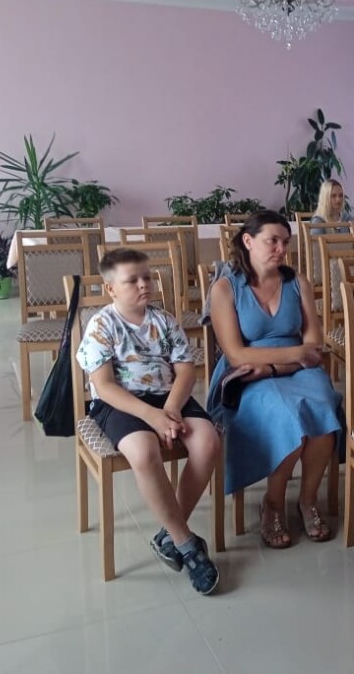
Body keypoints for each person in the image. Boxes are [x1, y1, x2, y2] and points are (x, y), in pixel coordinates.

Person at [75, 248, 221, 594]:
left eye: (147, 277)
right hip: (120, 404)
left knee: (207, 441)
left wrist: (170, 409)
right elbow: (104, 386)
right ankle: (185, 543)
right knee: (143, 451)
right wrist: (151, 416)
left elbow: (186, 370)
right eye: (132, 280)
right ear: (111, 288)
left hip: (168, 399)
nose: (144, 284)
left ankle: (168, 534)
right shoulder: (102, 325)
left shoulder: (164, 321)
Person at [208, 210, 342, 548]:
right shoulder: (225, 288)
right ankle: (273, 502)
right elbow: (236, 354)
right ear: (248, 241)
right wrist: (295, 354)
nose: (281, 249)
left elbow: (314, 344)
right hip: (247, 376)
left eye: (285, 242)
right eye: (273, 241)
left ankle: (308, 499)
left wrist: (277, 365)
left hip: (292, 370)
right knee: (288, 415)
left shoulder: (297, 282)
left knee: (324, 410)